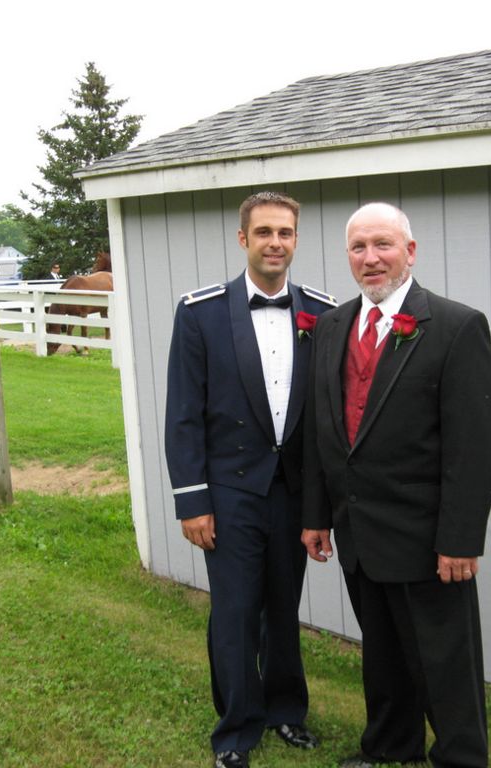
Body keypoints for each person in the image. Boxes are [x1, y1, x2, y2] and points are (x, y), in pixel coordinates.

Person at [301, 202, 491, 768]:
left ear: (409, 252)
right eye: (358, 247)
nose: (371, 258)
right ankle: (390, 746)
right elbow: (323, 431)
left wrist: (460, 538)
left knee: (444, 664)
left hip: (427, 539)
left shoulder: (457, 327)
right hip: (358, 531)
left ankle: (461, 759)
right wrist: (317, 515)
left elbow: (475, 446)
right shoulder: (334, 326)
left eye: (383, 245)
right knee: (383, 656)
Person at [165, 191, 336, 768]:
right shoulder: (201, 312)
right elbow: (184, 415)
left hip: (293, 493)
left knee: (284, 608)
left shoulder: (325, 312)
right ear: (244, 239)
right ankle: (238, 728)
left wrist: (321, 507)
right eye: (263, 232)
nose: (275, 243)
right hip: (230, 491)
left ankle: (287, 711)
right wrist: (193, 502)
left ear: (295, 239)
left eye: (285, 233)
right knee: (236, 612)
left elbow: (325, 418)